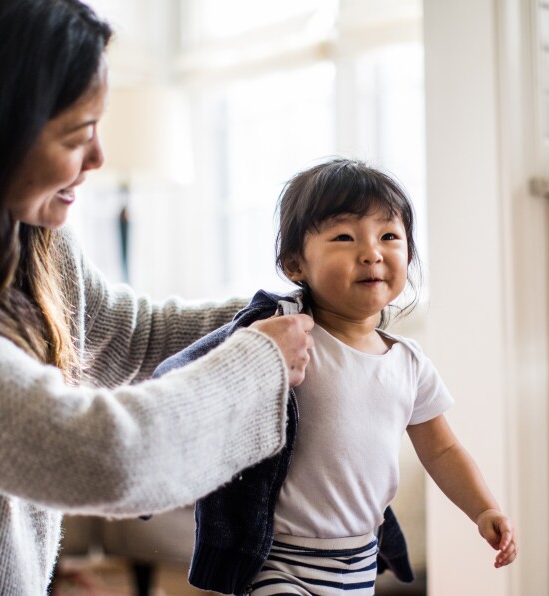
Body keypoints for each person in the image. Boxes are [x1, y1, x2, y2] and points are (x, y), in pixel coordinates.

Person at [0, 1, 313, 594]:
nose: (97, 158)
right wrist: (259, 363)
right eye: (77, 135)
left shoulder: (29, 241)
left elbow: (133, 336)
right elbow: (101, 458)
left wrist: (295, 309)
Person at [157, 159, 519, 595]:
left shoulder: (409, 363)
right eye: (345, 237)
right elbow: (203, 373)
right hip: (280, 559)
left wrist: (484, 509)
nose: (371, 252)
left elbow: (443, 451)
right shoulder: (284, 335)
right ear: (295, 264)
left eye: (389, 236)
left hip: (358, 562)